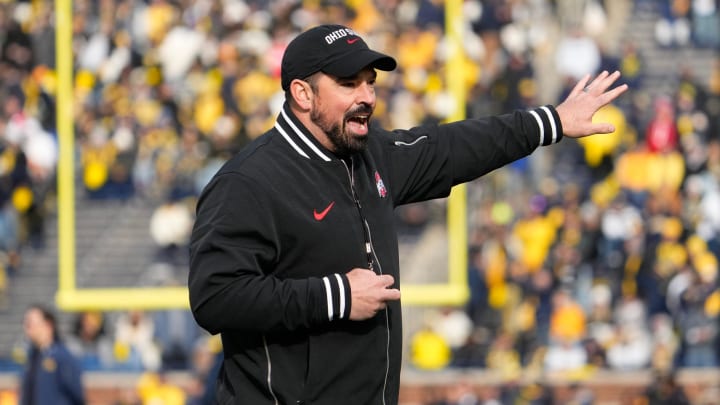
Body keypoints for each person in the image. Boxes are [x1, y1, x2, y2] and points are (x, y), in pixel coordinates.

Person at [188, 24, 628, 405]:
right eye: (348, 84)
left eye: (370, 82)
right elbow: (214, 298)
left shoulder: (367, 153)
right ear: (302, 94)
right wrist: (335, 296)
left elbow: (453, 147)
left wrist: (550, 121)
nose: (366, 97)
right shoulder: (249, 181)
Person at [19, 303, 85, 405]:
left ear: (48, 325)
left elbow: (76, 394)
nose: (27, 329)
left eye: (30, 324)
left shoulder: (62, 356)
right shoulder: (32, 357)